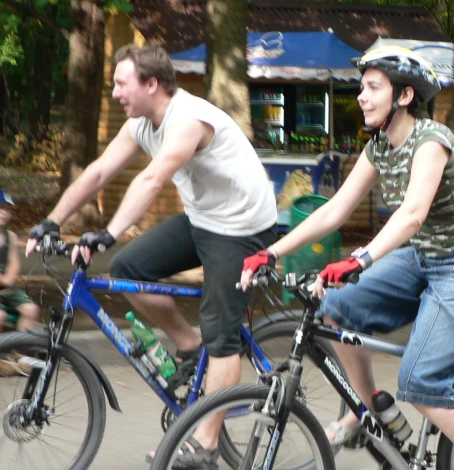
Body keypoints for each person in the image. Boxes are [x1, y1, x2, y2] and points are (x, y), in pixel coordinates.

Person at [240, 46, 454, 469]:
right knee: (335, 307)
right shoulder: (380, 146)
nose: (361, 96)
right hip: (422, 259)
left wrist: (360, 259)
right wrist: (271, 251)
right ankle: (362, 412)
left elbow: (413, 215)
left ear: (403, 96)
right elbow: (334, 209)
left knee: (421, 383)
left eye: (373, 88)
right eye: (362, 87)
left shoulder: (432, 140)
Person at [25, 44, 277, 468]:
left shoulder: (189, 119)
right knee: (128, 268)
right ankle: (188, 344)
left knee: (222, 336)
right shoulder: (140, 123)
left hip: (242, 230)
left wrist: (109, 232)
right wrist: (51, 220)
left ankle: (207, 445)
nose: (116, 93)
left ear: (151, 84)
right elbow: (100, 171)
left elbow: (153, 178)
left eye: (122, 84)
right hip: (203, 221)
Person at [0, 190, 41, 333]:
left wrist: (8, 279)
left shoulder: (10, 236)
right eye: (1, 208)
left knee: (31, 309)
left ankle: (20, 350)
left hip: (6, 287)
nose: (4, 212)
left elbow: (13, 262)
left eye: (7, 209)